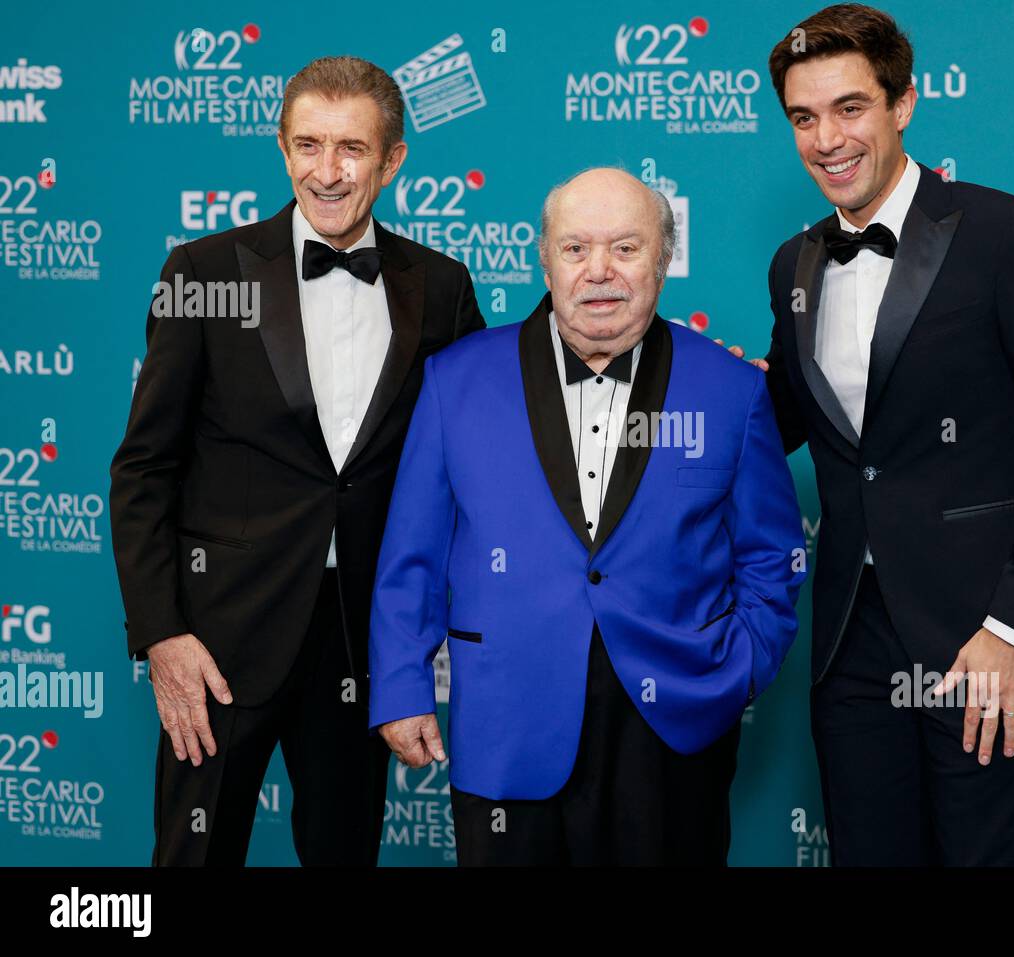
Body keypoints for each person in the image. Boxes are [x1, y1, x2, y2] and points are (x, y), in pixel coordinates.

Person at [758, 4, 1014, 864]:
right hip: (853, 634)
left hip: (980, 633)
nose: (826, 139)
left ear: (903, 105)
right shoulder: (796, 262)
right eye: (804, 118)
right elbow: (783, 421)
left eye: (850, 108)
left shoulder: (1007, 233)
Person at [368, 168, 806, 866]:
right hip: (508, 720)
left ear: (662, 258)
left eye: (626, 248)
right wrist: (401, 686)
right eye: (576, 249)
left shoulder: (732, 388)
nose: (599, 271)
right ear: (543, 256)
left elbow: (772, 554)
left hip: (674, 726)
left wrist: (741, 666)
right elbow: (410, 558)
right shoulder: (456, 380)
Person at [109, 55, 485, 865]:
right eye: (307, 145)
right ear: (282, 149)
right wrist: (162, 633)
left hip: (361, 637)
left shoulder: (443, 285)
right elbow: (143, 468)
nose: (327, 170)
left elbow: (486, 434)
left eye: (351, 148)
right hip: (219, 640)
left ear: (392, 160)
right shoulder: (204, 273)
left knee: (344, 853)